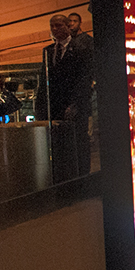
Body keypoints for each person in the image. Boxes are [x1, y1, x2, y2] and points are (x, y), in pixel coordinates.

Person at [36, 14, 93, 179]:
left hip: (75, 106)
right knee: (59, 145)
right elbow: (44, 80)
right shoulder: (48, 51)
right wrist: (41, 108)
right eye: (52, 26)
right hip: (55, 107)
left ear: (68, 26)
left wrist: (76, 104)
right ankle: (63, 179)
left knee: (78, 143)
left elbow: (84, 79)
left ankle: (82, 178)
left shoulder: (82, 49)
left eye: (59, 25)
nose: (55, 29)